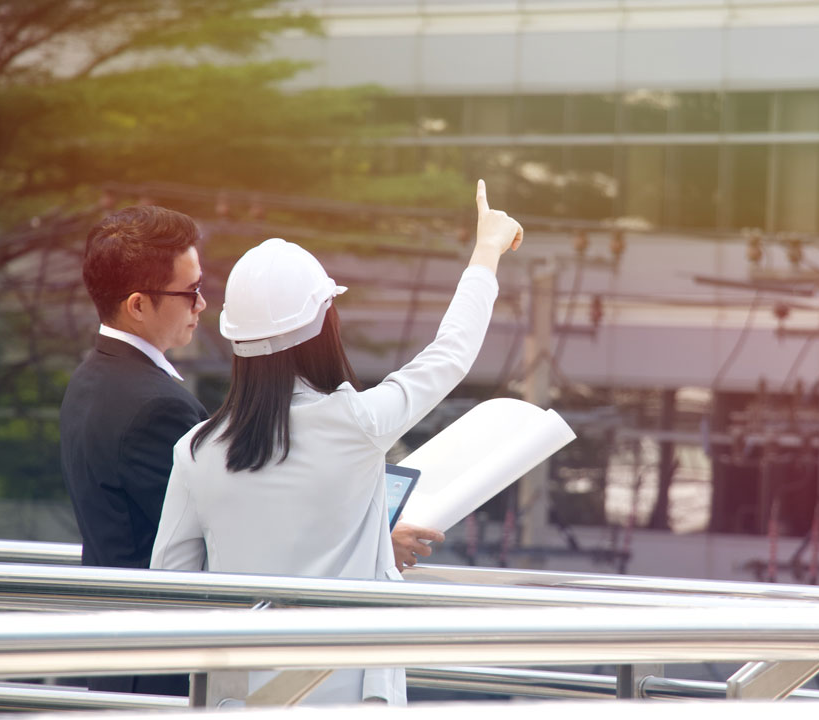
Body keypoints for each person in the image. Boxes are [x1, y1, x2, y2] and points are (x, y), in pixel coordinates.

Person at [149, 180, 523, 706]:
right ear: (325, 322)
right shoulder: (356, 422)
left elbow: (172, 588)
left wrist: (368, 545)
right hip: (344, 695)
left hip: (235, 701)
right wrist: (486, 251)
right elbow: (451, 354)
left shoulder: (195, 450)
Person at [59, 205, 209, 696]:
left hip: (115, 652)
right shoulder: (157, 406)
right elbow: (217, 529)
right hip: (156, 665)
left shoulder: (90, 378)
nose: (201, 305)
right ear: (138, 305)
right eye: (190, 293)